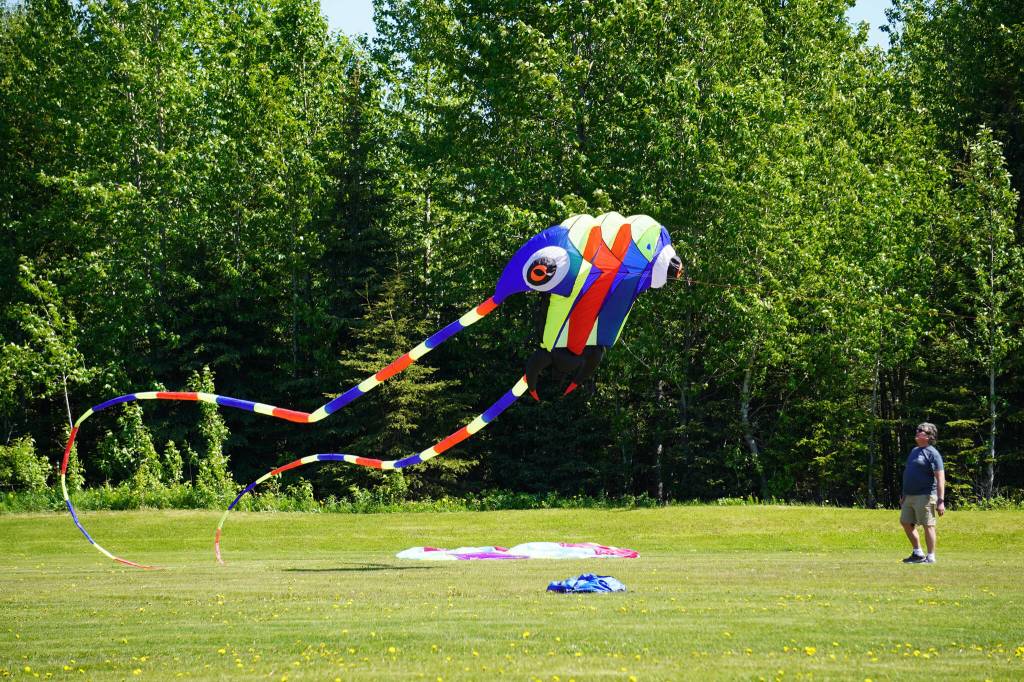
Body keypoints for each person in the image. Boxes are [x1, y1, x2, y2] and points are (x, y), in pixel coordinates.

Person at [900, 422, 945, 564]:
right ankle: (918, 553)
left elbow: (940, 477)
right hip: (909, 496)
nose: (918, 431)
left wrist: (941, 500)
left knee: (928, 525)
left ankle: (931, 557)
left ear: (929, 437)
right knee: (905, 522)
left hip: (925, 495)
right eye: (918, 429)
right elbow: (909, 474)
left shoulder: (933, 453)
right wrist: (904, 494)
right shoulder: (914, 451)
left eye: (922, 431)